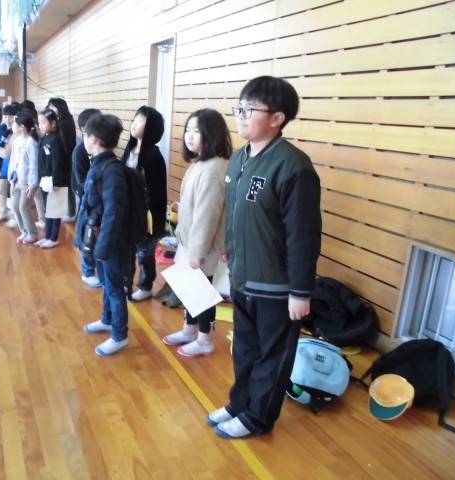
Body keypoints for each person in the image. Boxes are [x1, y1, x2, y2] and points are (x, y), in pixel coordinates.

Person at [207, 76, 322, 439]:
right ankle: (240, 403)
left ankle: (258, 418)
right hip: (243, 278)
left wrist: (300, 292)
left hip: (277, 287)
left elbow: (303, 235)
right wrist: (230, 251)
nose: (240, 116)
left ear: (277, 118)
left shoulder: (293, 166)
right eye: (238, 108)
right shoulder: (238, 158)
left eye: (249, 109)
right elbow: (238, 215)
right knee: (244, 350)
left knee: (272, 358)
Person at [162, 109, 232, 357]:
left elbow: (207, 215)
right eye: (187, 130)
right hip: (191, 243)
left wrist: (198, 251)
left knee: (202, 292)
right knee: (191, 289)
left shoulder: (214, 168)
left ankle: (204, 339)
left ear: (211, 134)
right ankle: (189, 330)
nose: (189, 136)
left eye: (196, 131)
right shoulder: (200, 163)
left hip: (202, 246)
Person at [76, 114, 130, 355]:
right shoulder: (99, 164)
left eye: (85, 135)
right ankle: (107, 319)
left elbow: (113, 213)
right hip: (101, 241)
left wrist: (104, 246)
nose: (83, 139)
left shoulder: (112, 170)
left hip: (112, 243)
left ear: (94, 139)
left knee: (115, 289)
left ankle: (120, 334)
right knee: (107, 284)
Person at [121, 106, 167, 301]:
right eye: (135, 119)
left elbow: (158, 193)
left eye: (141, 121)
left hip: (145, 214)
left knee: (145, 252)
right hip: (128, 211)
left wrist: (155, 223)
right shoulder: (130, 149)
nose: (134, 124)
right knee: (127, 251)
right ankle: (126, 283)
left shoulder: (153, 156)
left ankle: (146, 286)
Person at [72, 108, 102, 287]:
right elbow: (81, 180)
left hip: (97, 198)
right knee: (86, 233)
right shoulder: (80, 151)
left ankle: (94, 266)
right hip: (85, 196)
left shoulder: (99, 148)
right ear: (84, 129)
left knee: (96, 233)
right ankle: (87, 271)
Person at [36, 108, 67, 248]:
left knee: (55, 211)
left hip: (55, 181)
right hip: (45, 179)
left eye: (44, 122)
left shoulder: (56, 140)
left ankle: (54, 238)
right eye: (39, 123)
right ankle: (47, 236)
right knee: (48, 210)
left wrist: (56, 182)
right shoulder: (44, 138)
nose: (41, 126)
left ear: (53, 123)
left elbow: (58, 163)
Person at [7, 113, 40, 244]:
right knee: (15, 207)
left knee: (23, 207)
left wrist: (33, 184)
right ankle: (24, 231)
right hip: (16, 180)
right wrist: (11, 180)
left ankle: (32, 233)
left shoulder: (31, 143)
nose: (12, 125)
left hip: (27, 183)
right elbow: (12, 161)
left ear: (22, 127)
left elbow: (34, 165)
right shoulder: (16, 141)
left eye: (15, 124)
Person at [46, 98, 77, 221]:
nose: (50, 109)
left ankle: (69, 212)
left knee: (65, 185)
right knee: (66, 185)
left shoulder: (64, 123)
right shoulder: (63, 120)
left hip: (66, 158)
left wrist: (61, 158)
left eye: (53, 107)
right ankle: (67, 211)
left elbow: (65, 144)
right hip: (65, 157)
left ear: (60, 107)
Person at [0, 104, 19, 224]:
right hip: (4, 166)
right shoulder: (1, 130)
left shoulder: (18, 131)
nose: (8, 119)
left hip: (15, 166)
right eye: (6, 116)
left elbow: (6, 151)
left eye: (11, 116)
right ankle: (3, 211)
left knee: (14, 192)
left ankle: (15, 215)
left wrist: (2, 152)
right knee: (1, 189)